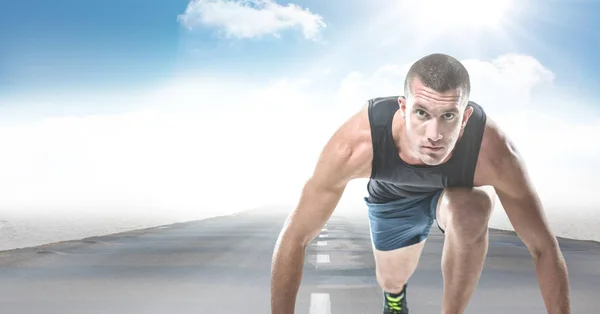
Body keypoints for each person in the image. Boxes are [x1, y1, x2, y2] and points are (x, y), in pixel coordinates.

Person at [270, 53, 571, 314]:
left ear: (465, 116)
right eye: (422, 113)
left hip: (453, 197)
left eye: (448, 116)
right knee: (392, 279)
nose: (434, 134)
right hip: (393, 200)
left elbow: (544, 247)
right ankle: (394, 297)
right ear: (403, 107)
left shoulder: (495, 154)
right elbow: (295, 236)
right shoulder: (358, 144)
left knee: (473, 209)